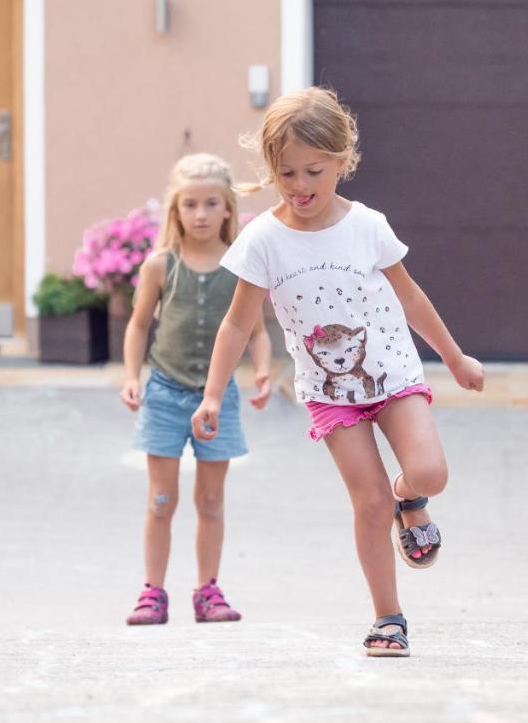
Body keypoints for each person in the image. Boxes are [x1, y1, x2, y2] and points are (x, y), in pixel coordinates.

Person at [190, 88, 484, 656]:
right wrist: (211, 395)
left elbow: (413, 297)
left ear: (343, 160)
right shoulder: (263, 240)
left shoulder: (367, 225)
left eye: (313, 171)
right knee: (367, 501)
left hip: (393, 376)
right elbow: (235, 325)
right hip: (331, 394)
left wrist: (453, 357)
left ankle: (411, 500)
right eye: (286, 173)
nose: (300, 186)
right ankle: (388, 618)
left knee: (429, 473)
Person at [120, 153, 272, 626]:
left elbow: (257, 331)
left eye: (211, 204)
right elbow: (139, 324)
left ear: (228, 208)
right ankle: (152, 593)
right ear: (176, 211)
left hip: (217, 396)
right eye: (190, 205)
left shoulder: (240, 265)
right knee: (161, 499)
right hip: (164, 393)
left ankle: (208, 591)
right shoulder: (160, 266)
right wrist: (131, 377)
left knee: (210, 500)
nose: (201, 214)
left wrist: (263, 371)